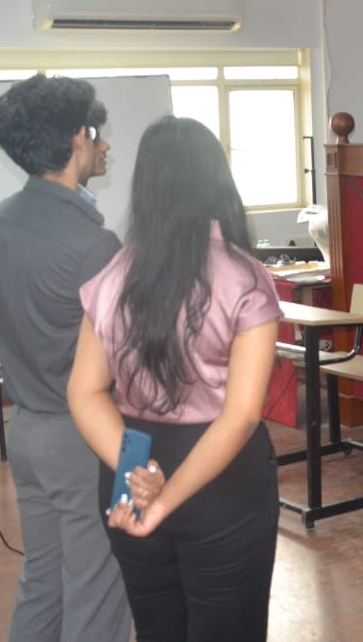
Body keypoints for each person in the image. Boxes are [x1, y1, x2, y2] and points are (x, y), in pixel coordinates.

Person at [68, 116, 282, 641]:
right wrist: (164, 498)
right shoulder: (244, 277)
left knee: (157, 628)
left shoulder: (113, 275)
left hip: (131, 467)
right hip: (222, 480)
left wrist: (138, 475)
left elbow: (84, 392)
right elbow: (241, 416)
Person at [0, 75, 131, 642]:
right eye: (97, 133)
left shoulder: (2, 219)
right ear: (75, 139)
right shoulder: (94, 245)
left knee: (43, 582)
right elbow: (124, 361)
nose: (105, 145)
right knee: (98, 590)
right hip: (84, 437)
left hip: (27, 430)